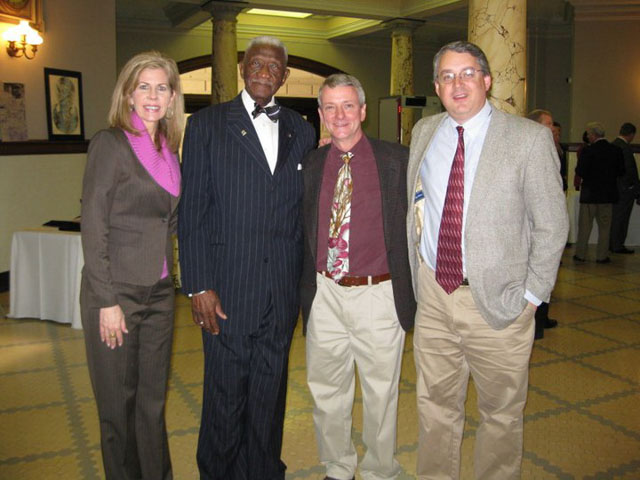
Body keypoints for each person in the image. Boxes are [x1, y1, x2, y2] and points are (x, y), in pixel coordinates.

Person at [407, 41, 568, 479]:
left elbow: (552, 225)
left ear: (487, 80)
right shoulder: (424, 132)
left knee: (500, 413)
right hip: (435, 296)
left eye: (467, 74)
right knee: (434, 406)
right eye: (446, 76)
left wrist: (532, 296)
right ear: (436, 86)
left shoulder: (528, 139)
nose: (457, 85)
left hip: (499, 302)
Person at [178, 36, 315, 480]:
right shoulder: (207, 124)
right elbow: (193, 211)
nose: (263, 72)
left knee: (269, 395)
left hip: (280, 291)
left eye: (274, 67)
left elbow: (301, 212)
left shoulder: (302, 128)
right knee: (225, 395)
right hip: (226, 289)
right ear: (242, 67)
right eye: (256, 64)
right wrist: (198, 284)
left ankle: (262, 470)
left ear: (284, 76)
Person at [300, 74, 416, 480]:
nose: (340, 115)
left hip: (378, 293)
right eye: (330, 107)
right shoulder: (311, 163)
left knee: (381, 392)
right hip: (325, 292)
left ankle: (381, 470)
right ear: (320, 114)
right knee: (326, 388)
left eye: (348, 105)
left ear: (363, 110)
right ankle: (338, 465)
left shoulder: (396, 160)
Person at [80, 51, 185, 480]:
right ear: (128, 92)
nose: (153, 95)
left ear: (173, 96)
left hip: (160, 293)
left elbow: (170, 220)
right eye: (144, 85)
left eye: (162, 87)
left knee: (151, 404)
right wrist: (106, 300)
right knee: (117, 408)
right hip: (116, 294)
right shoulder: (111, 144)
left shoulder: (170, 149)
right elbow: (93, 224)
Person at [526, 109, 563, 339]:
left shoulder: (552, 148)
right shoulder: (533, 150)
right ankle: (536, 324)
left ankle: (541, 320)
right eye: (548, 124)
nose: (553, 128)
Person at [574, 122, 625, 263]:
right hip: (607, 195)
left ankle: (581, 254)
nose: (588, 137)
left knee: (584, 227)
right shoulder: (615, 150)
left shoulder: (587, 151)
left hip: (589, 195)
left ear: (593, 135)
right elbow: (621, 171)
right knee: (605, 228)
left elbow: (580, 171)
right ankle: (602, 256)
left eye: (589, 134)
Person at [610, 122, 638, 254]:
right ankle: (617, 244)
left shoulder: (613, 144)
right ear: (631, 135)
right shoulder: (625, 148)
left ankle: (612, 243)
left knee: (615, 217)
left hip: (615, 188)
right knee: (621, 218)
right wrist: (631, 187)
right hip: (624, 190)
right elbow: (629, 170)